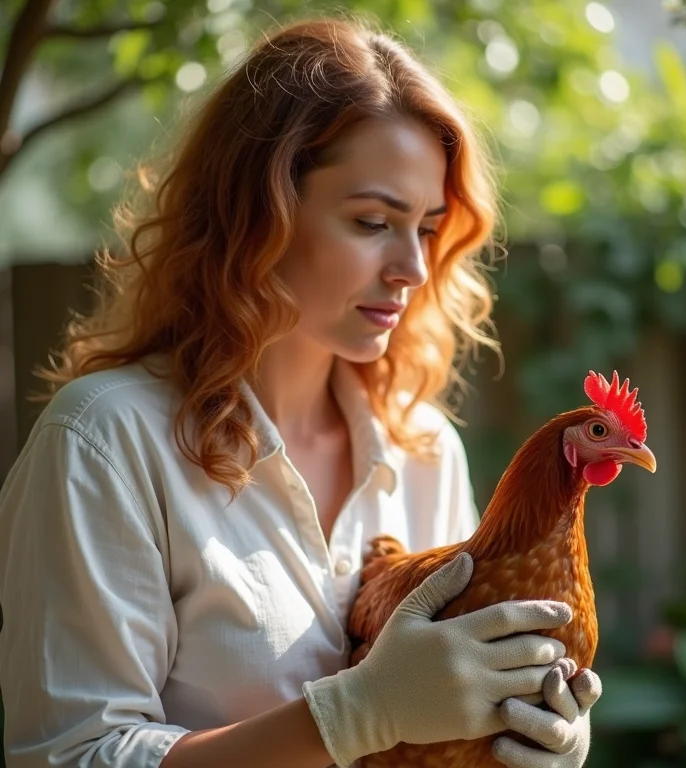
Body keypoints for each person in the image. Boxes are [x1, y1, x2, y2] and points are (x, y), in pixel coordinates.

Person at [0, 14, 602, 768]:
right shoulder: (107, 442)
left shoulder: (421, 451)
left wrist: (516, 733)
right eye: (373, 221)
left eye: (427, 229)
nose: (412, 268)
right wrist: (355, 715)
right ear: (259, 214)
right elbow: (69, 756)